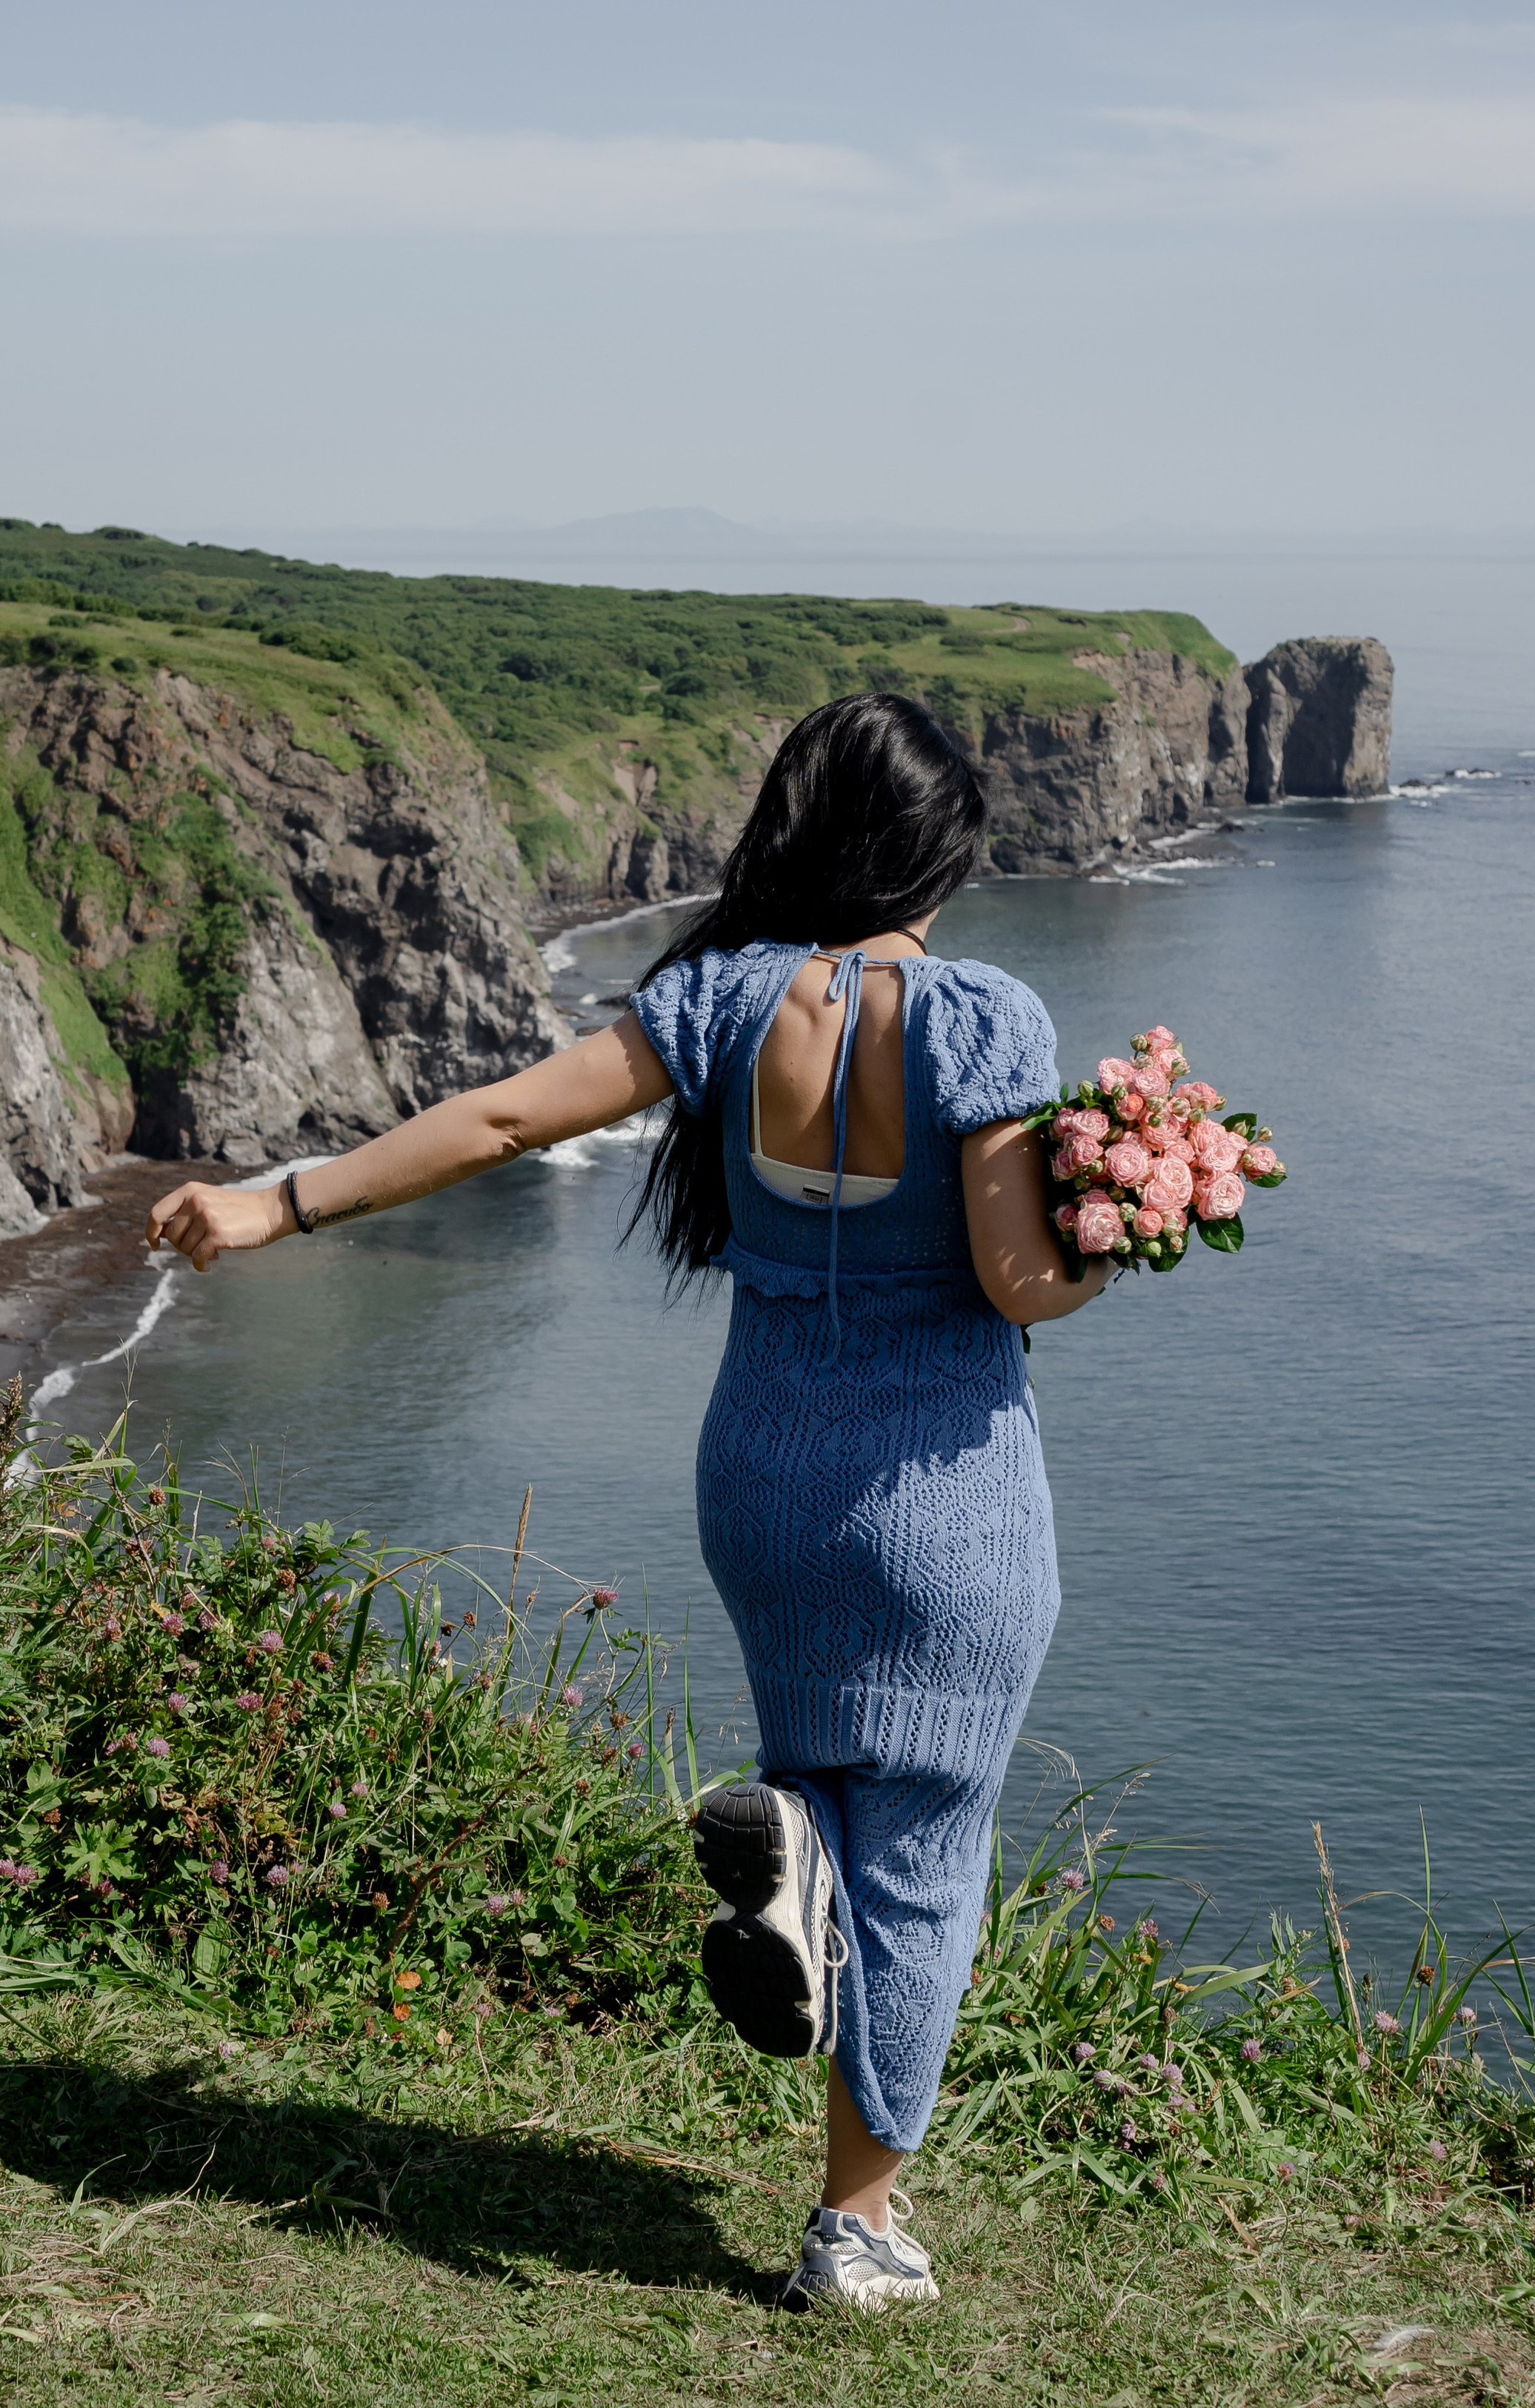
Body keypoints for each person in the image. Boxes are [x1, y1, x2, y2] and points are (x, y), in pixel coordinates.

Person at [147, 691, 1108, 2315]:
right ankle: (854, 2232)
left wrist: (271, 1206)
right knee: (929, 1851)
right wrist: (1124, 1220)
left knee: (825, 1787)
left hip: (763, 1475)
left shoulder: (719, 1000)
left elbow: (504, 1117)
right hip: (939, 1495)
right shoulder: (980, 1016)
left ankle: (793, 1850)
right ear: (935, 848)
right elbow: (1019, 1279)